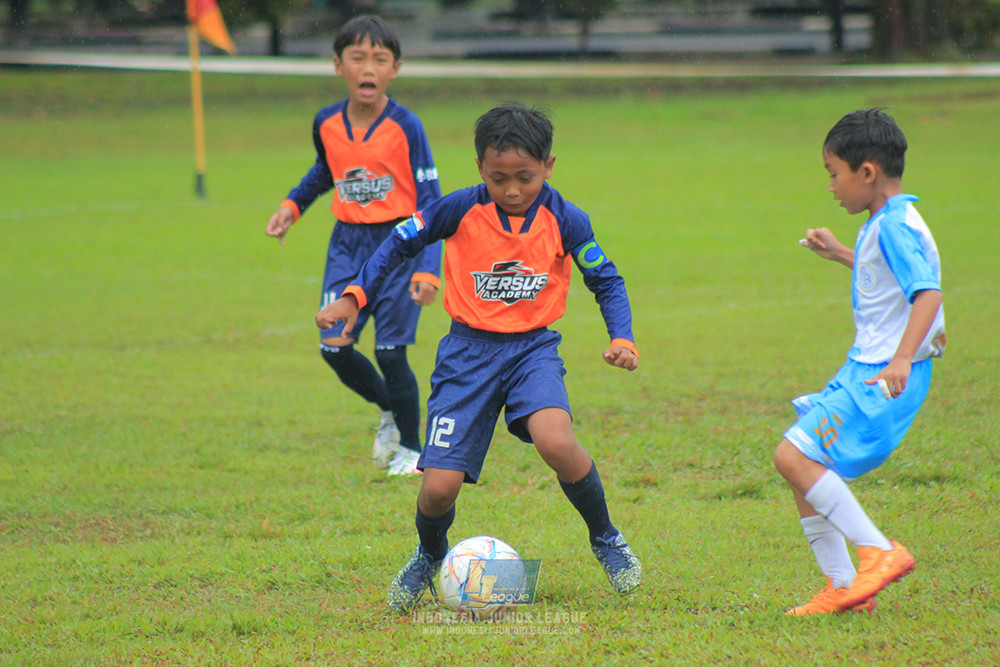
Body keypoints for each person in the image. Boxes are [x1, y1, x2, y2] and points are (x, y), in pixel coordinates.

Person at [316, 103, 643, 612]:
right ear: (479, 170)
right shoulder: (458, 209)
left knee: (557, 441)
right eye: (498, 178)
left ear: (549, 167)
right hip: (467, 354)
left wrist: (622, 337)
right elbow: (397, 244)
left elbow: (606, 278)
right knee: (438, 490)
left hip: (532, 349)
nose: (512, 190)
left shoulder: (565, 217)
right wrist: (354, 294)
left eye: (525, 177)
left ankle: (605, 538)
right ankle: (430, 554)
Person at [775, 108, 946, 616]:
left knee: (792, 456)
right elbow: (889, 275)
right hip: (866, 368)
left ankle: (880, 552)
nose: (831, 186)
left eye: (834, 174)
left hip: (884, 373)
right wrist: (843, 254)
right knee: (804, 463)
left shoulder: (894, 226)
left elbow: (928, 294)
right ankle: (845, 588)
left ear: (866, 171)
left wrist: (900, 359)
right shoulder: (886, 221)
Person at [265, 15, 442, 476]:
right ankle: (389, 409)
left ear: (395, 69)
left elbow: (431, 202)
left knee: (390, 352)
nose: (369, 68)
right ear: (337, 65)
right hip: (347, 246)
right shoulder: (326, 122)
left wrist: (427, 267)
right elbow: (326, 170)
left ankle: (412, 449)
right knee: (335, 347)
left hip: (399, 246)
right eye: (358, 58)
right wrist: (292, 205)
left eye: (380, 59)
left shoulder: (407, 126)